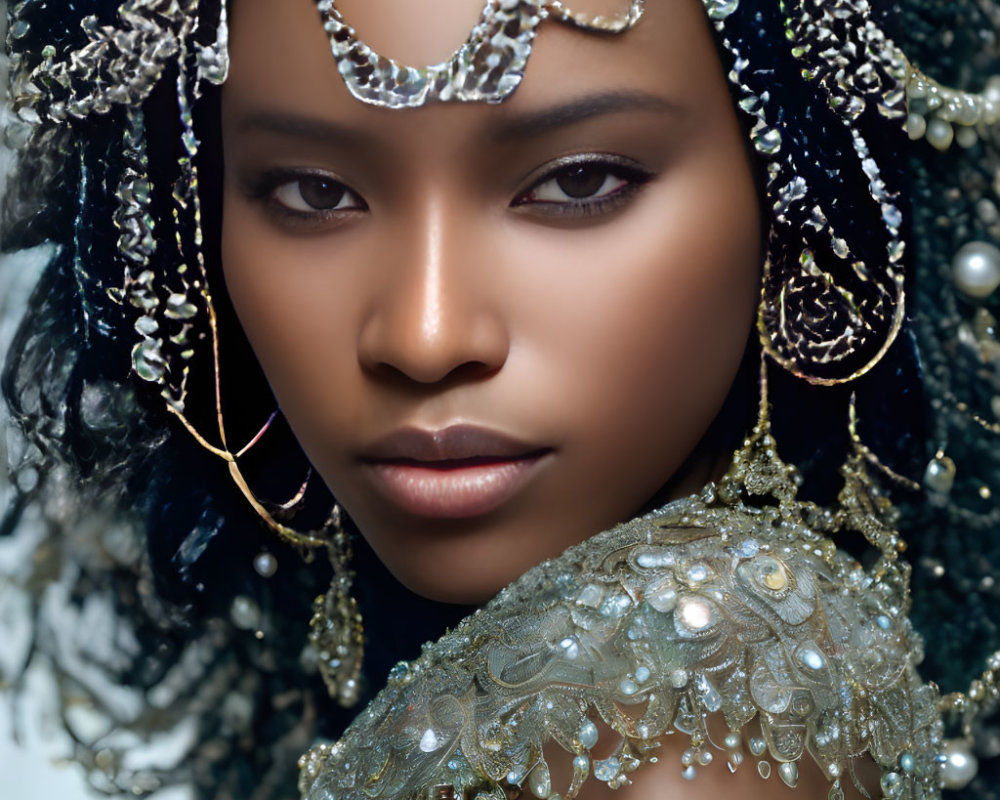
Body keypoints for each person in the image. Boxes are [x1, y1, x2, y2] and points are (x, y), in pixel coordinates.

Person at [1, 1, 999, 799]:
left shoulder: (678, 743)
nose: (424, 337)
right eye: (313, 192)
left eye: (576, 183)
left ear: (793, 202)